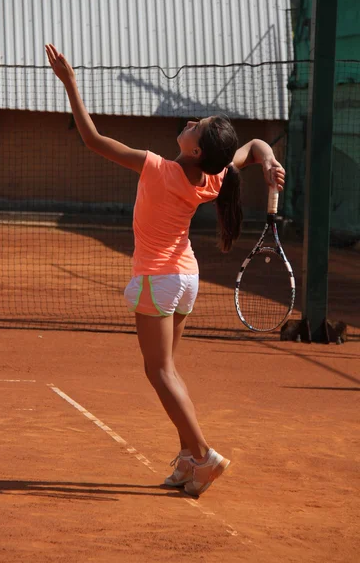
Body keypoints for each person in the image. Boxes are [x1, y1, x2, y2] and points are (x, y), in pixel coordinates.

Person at [45, 44, 285, 497]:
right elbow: (253, 147)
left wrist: (70, 83)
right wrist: (269, 163)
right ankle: (187, 463)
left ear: (194, 149)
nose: (191, 122)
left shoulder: (158, 168)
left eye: (198, 126)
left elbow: (94, 140)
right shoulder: (214, 176)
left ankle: (203, 453)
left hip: (159, 279)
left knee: (158, 372)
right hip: (186, 279)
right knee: (170, 370)